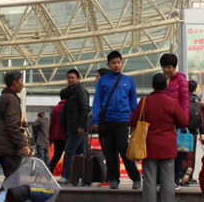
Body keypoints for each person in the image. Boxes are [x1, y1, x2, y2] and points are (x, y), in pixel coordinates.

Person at [130, 73, 188, 202]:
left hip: (148, 145)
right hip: (168, 145)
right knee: (167, 180)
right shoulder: (172, 102)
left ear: (152, 85)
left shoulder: (144, 102)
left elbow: (133, 121)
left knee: (149, 180)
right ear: (166, 86)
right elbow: (183, 122)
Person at [91, 51, 141, 190]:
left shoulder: (128, 80)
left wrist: (134, 121)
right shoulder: (103, 80)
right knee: (110, 150)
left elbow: (133, 103)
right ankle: (113, 179)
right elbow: (97, 102)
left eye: (118, 62)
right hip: (107, 121)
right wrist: (95, 121)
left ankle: (136, 178)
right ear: (108, 64)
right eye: (113, 63)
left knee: (123, 147)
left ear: (122, 63)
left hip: (123, 120)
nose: (116, 65)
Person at [0, 70, 29, 177]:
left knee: (11, 179)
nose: (23, 84)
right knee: (13, 180)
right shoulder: (12, 99)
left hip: (2, 145)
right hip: (8, 147)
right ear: (14, 82)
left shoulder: (1, 99)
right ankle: (4, 195)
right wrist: (22, 144)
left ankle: (5, 194)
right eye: (21, 81)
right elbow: (12, 125)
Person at [160, 53, 189, 189]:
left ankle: (176, 180)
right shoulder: (163, 80)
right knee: (164, 151)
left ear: (174, 66)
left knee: (178, 151)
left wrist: (183, 121)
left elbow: (185, 101)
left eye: (169, 67)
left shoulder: (181, 80)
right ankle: (164, 180)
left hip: (177, 122)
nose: (166, 70)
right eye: (164, 67)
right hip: (165, 121)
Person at [58, 69, 90, 184]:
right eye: (68, 78)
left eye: (72, 77)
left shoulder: (81, 91)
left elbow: (85, 109)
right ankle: (80, 176)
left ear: (78, 79)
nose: (70, 80)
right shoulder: (71, 91)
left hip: (77, 127)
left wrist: (82, 126)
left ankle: (67, 175)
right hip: (72, 127)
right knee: (80, 152)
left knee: (70, 150)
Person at [181, 80, 204, 185]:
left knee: (181, 152)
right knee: (191, 154)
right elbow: (201, 118)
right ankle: (189, 176)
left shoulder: (183, 99)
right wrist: (202, 132)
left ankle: (181, 172)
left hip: (182, 130)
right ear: (195, 89)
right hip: (193, 131)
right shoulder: (198, 100)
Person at [94, 67, 110, 188]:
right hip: (104, 123)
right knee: (107, 151)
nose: (96, 78)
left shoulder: (104, 90)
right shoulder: (100, 89)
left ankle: (109, 178)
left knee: (109, 151)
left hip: (106, 124)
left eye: (97, 76)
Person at [47, 89, 67, 174]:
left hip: (56, 135)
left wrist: (50, 138)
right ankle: (65, 174)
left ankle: (49, 171)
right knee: (69, 154)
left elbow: (52, 123)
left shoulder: (55, 108)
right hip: (66, 134)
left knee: (56, 155)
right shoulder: (69, 106)